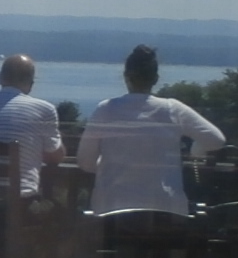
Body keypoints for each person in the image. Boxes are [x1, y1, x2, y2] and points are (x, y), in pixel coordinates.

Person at [78, 44, 225, 214]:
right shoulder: (172, 109)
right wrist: (196, 151)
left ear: (126, 77)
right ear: (155, 79)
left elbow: (86, 162)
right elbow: (216, 140)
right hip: (166, 209)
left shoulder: (106, 109)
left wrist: (111, 166)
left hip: (112, 208)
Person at [0, 54, 65, 198]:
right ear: (31, 84)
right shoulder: (44, 109)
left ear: (0, 78)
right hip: (17, 200)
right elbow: (54, 157)